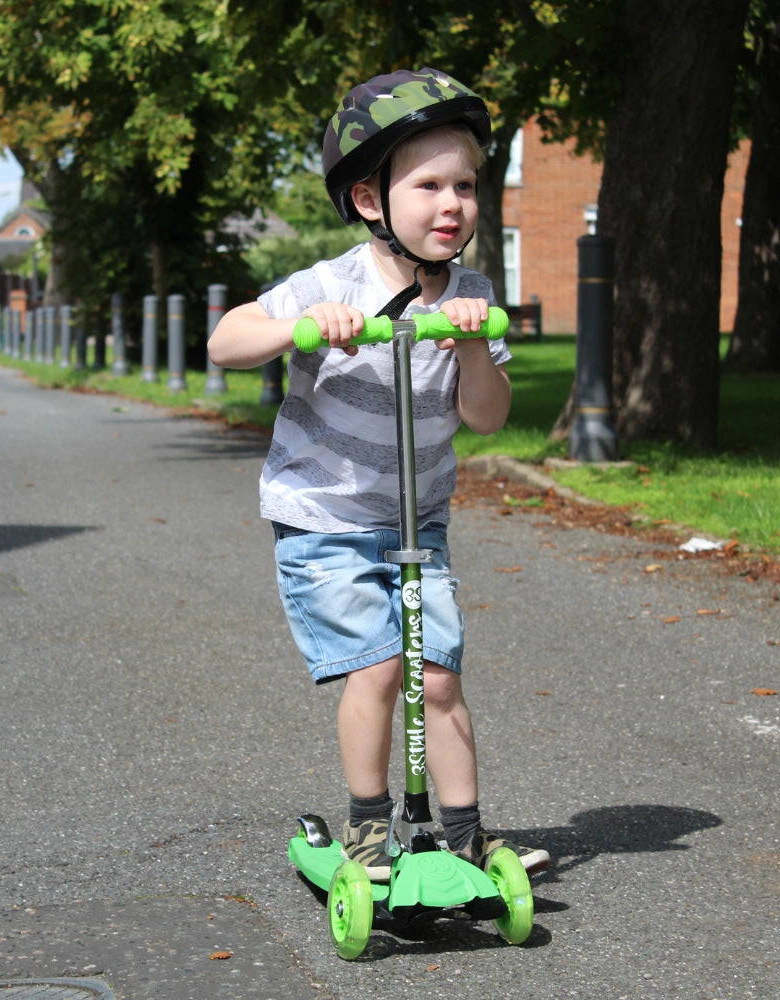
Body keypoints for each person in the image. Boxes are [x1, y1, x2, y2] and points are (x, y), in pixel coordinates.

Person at [209, 68, 549, 879]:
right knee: (380, 668)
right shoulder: (332, 284)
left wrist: (472, 341)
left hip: (416, 524)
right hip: (325, 518)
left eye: (464, 185)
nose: (453, 204)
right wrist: (300, 327)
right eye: (429, 184)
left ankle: (462, 832)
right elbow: (226, 340)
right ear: (370, 201)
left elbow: (489, 417)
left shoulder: (472, 294)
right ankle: (368, 825)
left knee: (438, 676)